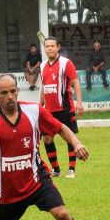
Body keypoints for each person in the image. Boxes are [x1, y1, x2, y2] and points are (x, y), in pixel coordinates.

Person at [0, 74, 103, 220]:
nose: (10, 96)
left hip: (37, 179)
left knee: (62, 214)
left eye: (13, 91)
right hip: (9, 187)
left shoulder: (34, 111)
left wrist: (76, 143)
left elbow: (61, 127)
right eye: (4, 93)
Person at [40, 36, 84, 179]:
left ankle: (71, 169)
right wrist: (40, 105)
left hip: (65, 109)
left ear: (58, 47)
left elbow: (75, 82)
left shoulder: (66, 63)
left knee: (70, 138)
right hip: (48, 111)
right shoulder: (42, 65)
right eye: (47, 46)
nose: (50, 48)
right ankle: (56, 169)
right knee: (47, 138)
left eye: (52, 46)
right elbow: (44, 86)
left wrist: (79, 102)